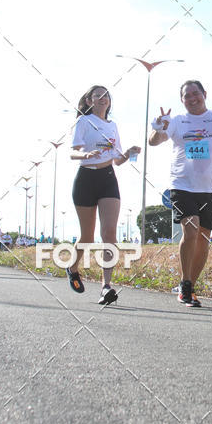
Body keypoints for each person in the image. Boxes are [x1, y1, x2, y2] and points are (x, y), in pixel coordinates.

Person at [149, 64, 212, 307]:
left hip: (210, 187)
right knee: (190, 230)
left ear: (204, 95)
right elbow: (154, 142)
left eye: (196, 94)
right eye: (187, 96)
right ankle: (184, 283)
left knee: (204, 238)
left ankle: (190, 286)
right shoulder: (177, 121)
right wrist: (160, 127)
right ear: (182, 100)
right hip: (182, 185)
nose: (192, 98)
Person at [68, 85, 140, 304]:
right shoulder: (83, 122)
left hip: (108, 179)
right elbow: (72, 152)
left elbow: (117, 159)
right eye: (97, 95)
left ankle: (106, 286)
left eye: (105, 95)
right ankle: (72, 268)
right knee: (87, 237)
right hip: (85, 179)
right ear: (89, 100)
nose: (102, 98)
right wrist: (85, 154)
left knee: (109, 234)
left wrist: (128, 152)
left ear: (109, 101)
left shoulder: (112, 126)